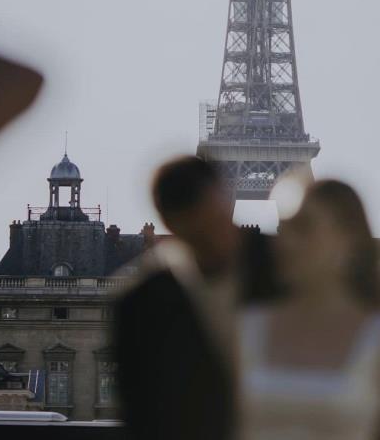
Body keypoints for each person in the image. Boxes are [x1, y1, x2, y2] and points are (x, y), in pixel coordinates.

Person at [239, 179, 380, 440]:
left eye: (303, 227)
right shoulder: (244, 329)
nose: (285, 243)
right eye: (282, 229)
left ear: (348, 236)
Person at [114, 156, 280, 440]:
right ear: (172, 228)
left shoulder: (289, 268)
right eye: (199, 235)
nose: (218, 242)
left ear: (227, 201)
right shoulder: (141, 301)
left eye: (217, 224)